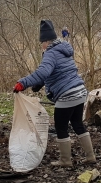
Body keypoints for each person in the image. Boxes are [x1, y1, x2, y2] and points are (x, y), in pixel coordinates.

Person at [13, 19, 95, 167]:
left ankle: (65, 160)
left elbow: (43, 72)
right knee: (77, 124)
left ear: (46, 41)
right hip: (80, 92)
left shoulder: (50, 53)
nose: (41, 46)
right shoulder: (63, 49)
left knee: (60, 127)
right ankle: (90, 156)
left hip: (67, 95)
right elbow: (57, 72)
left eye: (41, 43)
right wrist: (39, 84)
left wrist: (22, 83)